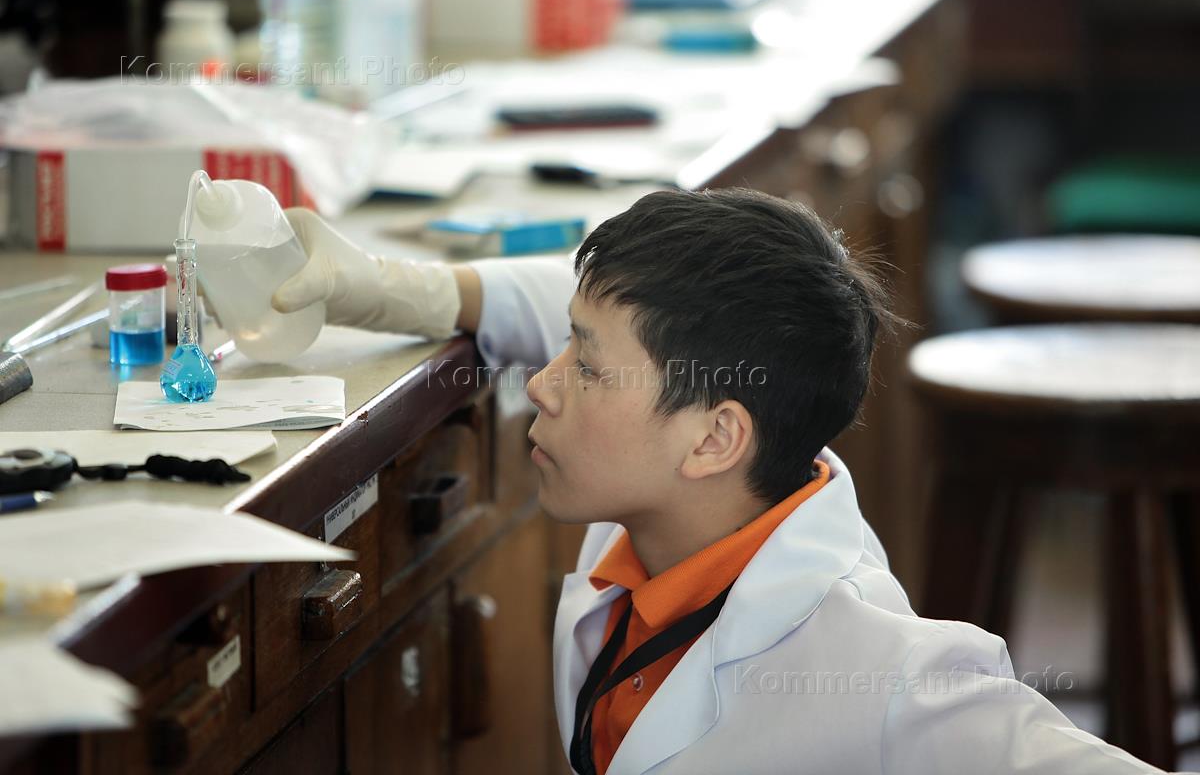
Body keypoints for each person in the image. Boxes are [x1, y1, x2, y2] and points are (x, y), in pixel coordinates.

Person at [272, 190, 1181, 775]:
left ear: (714, 437)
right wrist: (398, 288)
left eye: (584, 366)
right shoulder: (674, 503)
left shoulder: (895, 676)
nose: (542, 384)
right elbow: (600, 309)